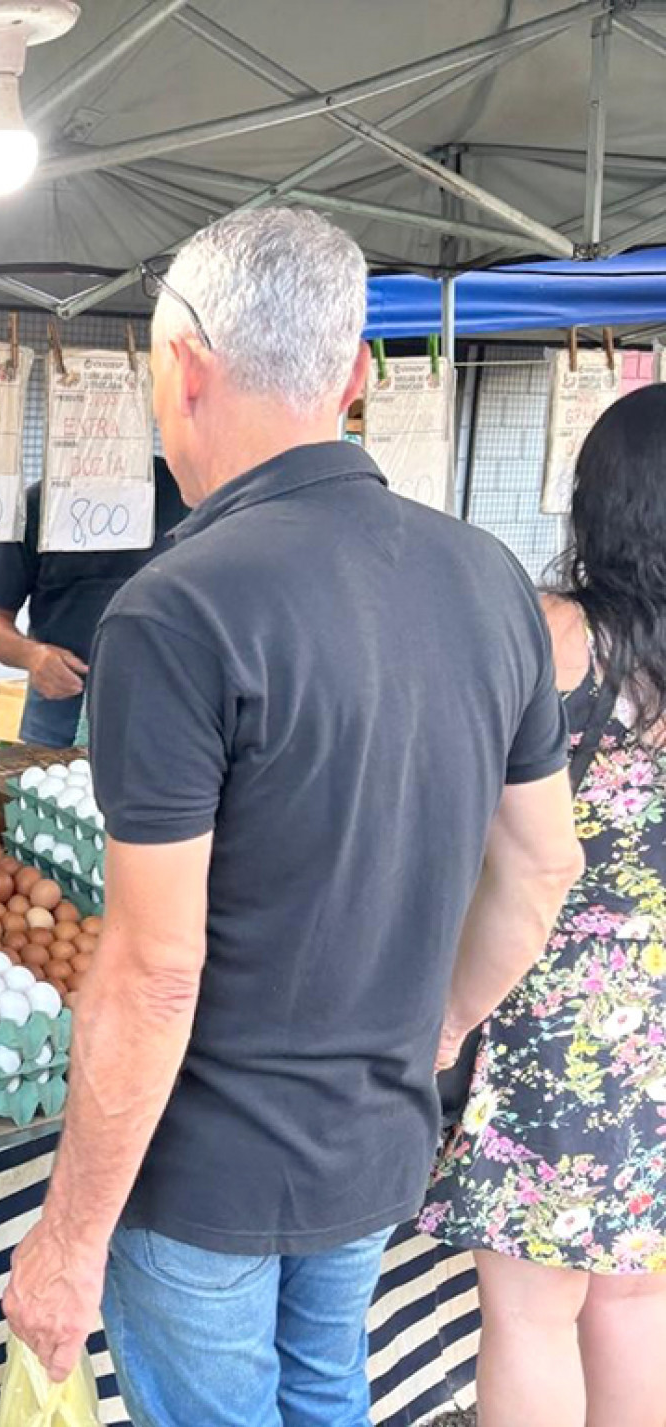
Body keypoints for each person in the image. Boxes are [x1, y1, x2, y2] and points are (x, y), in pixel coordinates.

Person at [0, 206, 584, 1425]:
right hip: (374, 1141)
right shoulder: (488, 578)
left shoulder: (177, 611)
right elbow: (538, 869)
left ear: (184, 369)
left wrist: (67, 1236)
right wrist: (434, 1030)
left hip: (209, 1167)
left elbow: (156, 970)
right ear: (357, 373)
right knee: (326, 1395)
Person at [418, 384, 666, 1426]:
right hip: (654, 1008)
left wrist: (448, 1014)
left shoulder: (557, 633)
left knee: (527, 1310)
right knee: (636, 1290)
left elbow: (511, 849)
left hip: (549, 1008)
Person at [0, 458, 189, 747]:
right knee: (49, 792)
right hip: (59, 716)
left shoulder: (186, 495)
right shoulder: (38, 505)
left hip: (165, 717)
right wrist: (33, 656)